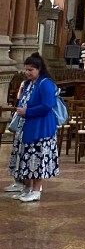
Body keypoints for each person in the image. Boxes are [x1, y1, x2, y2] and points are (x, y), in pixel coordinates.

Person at [7, 53, 59, 203]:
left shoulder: (45, 83)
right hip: (27, 126)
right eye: (26, 69)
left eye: (31, 70)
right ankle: (27, 188)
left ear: (39, 69)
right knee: (27, 158)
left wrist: (27, 111)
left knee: (37, 159)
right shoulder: (29, 83)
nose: (28, 72)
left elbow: (47, 106)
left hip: (41, 128)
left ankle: (36, 190)